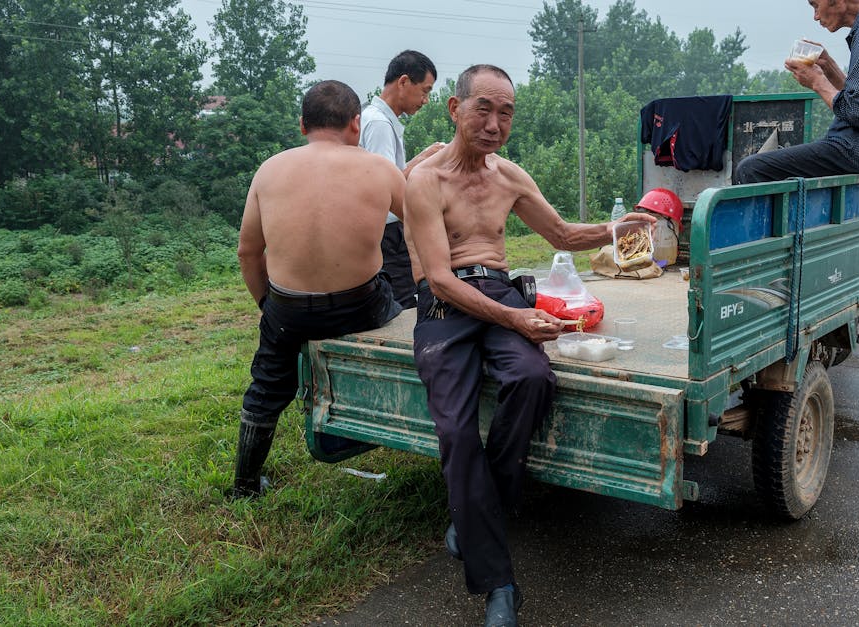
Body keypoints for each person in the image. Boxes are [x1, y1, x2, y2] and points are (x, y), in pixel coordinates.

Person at [404, 64, 654, 627]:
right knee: (456, 430)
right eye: (483, 109)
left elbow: (563, 235)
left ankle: (473, 512)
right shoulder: (423, 182)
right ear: (454, 108)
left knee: (533, 378)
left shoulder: (509, 177)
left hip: (497, 291)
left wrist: (621, 230)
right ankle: (500, 588)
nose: (495, 124)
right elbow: (439, 281)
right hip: (444, 308)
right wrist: (519, 319)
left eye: (506, 112)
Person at [231, 80, 405, 498]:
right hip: (361, 305)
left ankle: (245, 486)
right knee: (399, 297)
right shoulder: (380, 169)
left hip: (289, 309)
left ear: (302, 125)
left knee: (267, 385)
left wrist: (267, 307)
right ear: (355, 124)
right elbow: (422, 227)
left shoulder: (270, 169)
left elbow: (247, 252)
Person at [734, 0, 859, 183]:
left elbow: (858, 112)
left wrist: (817, 82)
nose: (815, 16)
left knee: (750, 168)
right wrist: (829, 67)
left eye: (815, 5)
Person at [360, 49, 446, 309]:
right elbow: (383, 186)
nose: (426, 100)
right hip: (386, 234)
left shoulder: (376, 119)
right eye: (425, 90)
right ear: (404, 82)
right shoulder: (379, 125)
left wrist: (422, 157)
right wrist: (424, 161)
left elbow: (387, 173)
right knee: (404, 305)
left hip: (382, 231)